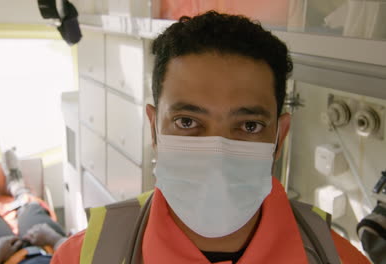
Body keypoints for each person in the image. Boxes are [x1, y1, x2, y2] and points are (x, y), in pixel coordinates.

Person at [53, 11, 370, 263]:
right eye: (187, 121)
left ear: (279, 137)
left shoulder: (341, 260)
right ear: (154, 129)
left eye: (248, 126)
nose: (216, 156)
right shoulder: (81, 258)